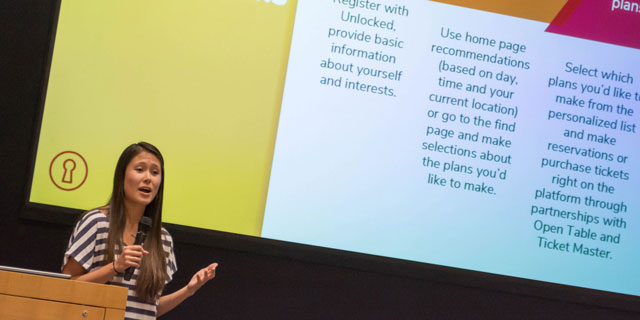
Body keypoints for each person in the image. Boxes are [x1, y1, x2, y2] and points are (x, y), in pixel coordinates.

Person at [62, 142, 217, 319]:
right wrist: (115, 267)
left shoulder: (163, 240)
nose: (148, 178)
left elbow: (148, 310)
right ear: (122, 176)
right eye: (140, 169)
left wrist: (189, 290)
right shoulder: (96, 223)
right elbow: (65, 288)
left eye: (155, 172)